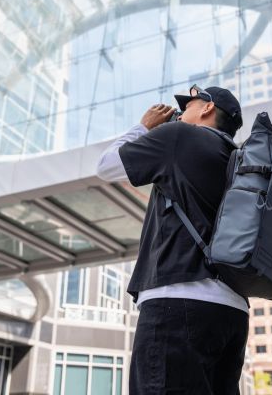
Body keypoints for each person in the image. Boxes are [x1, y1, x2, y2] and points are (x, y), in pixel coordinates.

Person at [96, 85, 249, 394]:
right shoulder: (242, 161)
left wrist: (144, 126)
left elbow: (107, 166)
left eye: (188, 105)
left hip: (177, 302)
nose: (179, 113)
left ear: (207, 108)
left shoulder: (179, 137)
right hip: (233, 311)